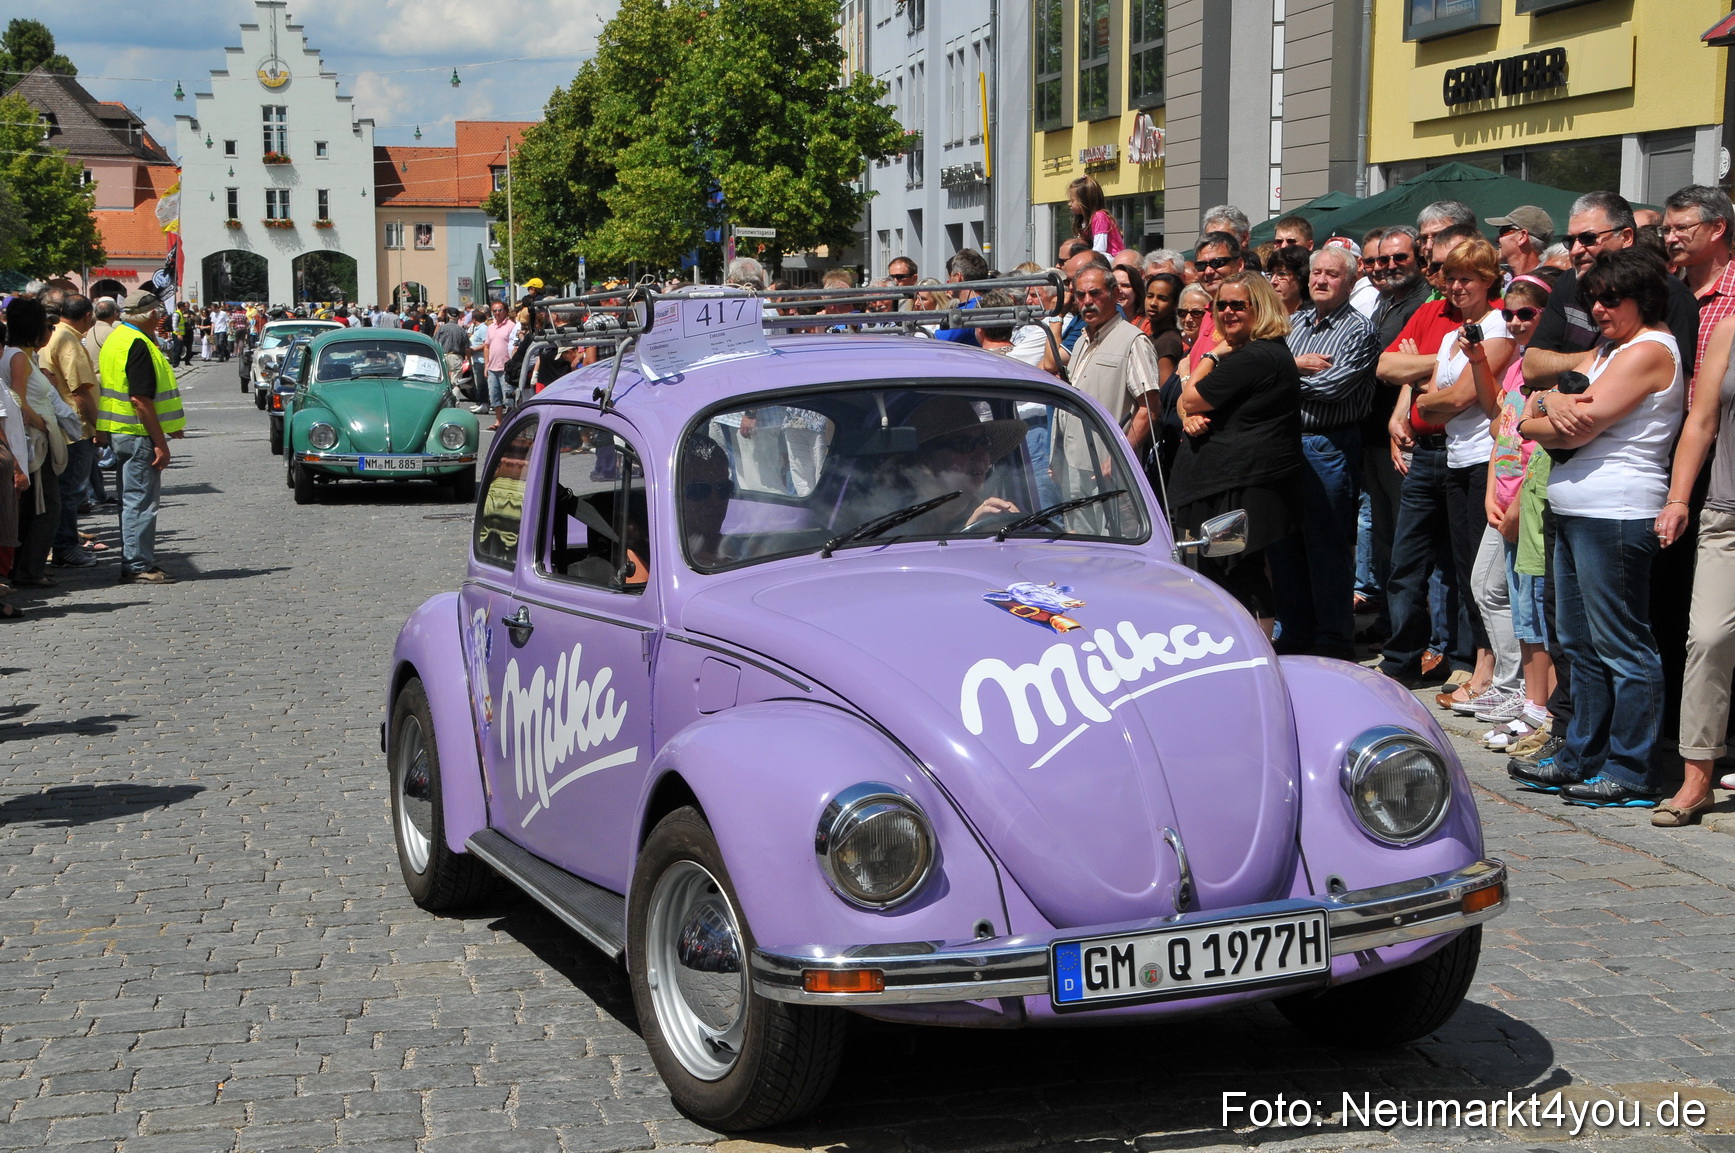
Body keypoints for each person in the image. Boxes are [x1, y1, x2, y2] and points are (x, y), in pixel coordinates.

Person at [1506, 247, 1684, 808]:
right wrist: (1548, 405)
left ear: (1645, 298)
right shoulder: (1609, 349)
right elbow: (1532, 411)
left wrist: (1546, 410)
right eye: (1593, 299)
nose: (1599, 309)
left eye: (1612, 299)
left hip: (1617, 510)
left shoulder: (1651, 350)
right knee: (1579, 643)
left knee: (1622, 644)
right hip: (1576, 506)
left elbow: (1578, 427)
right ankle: (1584, 753)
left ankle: (1632, 769)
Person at [1170, 272, 1305, 630]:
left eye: (1238, 305)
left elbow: (1192, 395)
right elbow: (1192, 408)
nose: (1227, 312)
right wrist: (1190, 415)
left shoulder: (1256, 357)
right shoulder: (1253, 354)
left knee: (1240, 570)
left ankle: (1258, 654)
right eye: (1221, 305)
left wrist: (1210, 355)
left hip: (1243, 484)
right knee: (1226, 572)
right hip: (1226, 482)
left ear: (1259, 309)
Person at [1269, 244, 1379, 658]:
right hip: (1284, 442)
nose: (1320, 280)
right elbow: (1265, 370)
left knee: (1327, 549)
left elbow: (1332, 389)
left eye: (1332, 274)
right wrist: (1290, 369)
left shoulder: (1359, 330)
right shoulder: (1293, 321)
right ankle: (1295, 634)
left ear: (1350, 281)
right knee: (1285, 546)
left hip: (1327, 445)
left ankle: (1334, 641)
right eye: (1316, 273)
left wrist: (1280, 376)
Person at [1654, 309, 1735, 824]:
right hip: (1727, 511)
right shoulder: (1731, 327)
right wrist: (1679, 498)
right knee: (1707, 639)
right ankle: (1696, 780)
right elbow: (1701, 420)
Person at [1472, 271, 1559, 752]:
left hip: (1529, 508)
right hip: (1501, 502)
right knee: (1522, 613)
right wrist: (1491, 493)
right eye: (1509, 314)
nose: (1517, 321)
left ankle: (1539, 706)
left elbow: (1540, 451)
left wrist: (1517, 504)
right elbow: (1500, 435)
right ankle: (1530, 704)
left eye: (1527, 313)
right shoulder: (1516, 369)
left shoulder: (1547, 372)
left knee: (1536, 613)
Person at [95, 293, 186, 585]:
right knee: (140, 502)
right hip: (137, 433)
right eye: (158, 313)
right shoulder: (138, 343)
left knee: (130, 500)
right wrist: (160, 442)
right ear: (149, 315)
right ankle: (136, 564)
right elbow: (140, 399)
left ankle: (136, 559)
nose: (161, 317)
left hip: (120, 431)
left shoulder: (117, 337)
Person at [1054, 266, 1160, 494]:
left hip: (1109, 472)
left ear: (1114, 294)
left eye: (1095, 293)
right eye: (1081, 295)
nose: (1087, 301)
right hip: (1072, 468)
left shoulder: (1134, 341)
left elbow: (1149, 410)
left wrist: (1120, 457)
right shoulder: (1081, 341)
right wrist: (1056, 457)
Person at [2, 297, 64, 591]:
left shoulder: (19, 354)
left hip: (29, 440)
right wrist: (43, 423)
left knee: (36, 506)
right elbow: (17, 401)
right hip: (33, 442)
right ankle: (29, 568)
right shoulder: (17, 357)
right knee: (45, 506)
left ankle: (27, 566)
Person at [41, 293, 100, 569]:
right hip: (74, 428)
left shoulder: (55, 334)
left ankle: (61, 544)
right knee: (71, 492)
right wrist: (98, 426)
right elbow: (80, 391)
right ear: (88, 316)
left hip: (60, 425)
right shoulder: (68, 341)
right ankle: (65, 547)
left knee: (64, 492)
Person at [1663, 185, 1735, 381]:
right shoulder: (1664, 297)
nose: (1670, 239)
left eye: (1681, 228)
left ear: (1717, 228)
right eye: (1666, 230)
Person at [1186, 231, 1245, 375]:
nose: (1208, 271)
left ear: (1239, 264)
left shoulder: (1246, 312)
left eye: (1217, 263)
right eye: (1200, 265)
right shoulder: (1207, 312)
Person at [1486, 206, 1553, 281]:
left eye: (1503, 231)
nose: (1497, 239)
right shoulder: (1498, 282)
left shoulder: (1551, 286)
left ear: (1522, 236)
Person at [1069, 175, 1125, 256]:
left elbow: (1099, 249)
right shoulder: (1083, 220)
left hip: (1112, 258)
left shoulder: (1100, 217)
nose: (1069, 204)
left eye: (1072, 200)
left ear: (1084, 201)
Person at [483, 300, 515, 429]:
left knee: (508, 398)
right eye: (494, 310)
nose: (497, 313)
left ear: (505, 311)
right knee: (494, 397)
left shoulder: (511, 326)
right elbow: (487, 347)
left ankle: (510, 423)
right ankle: (499, 421)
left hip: (505, 367)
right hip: (492, 368)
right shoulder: (490, 327)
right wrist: (486, 365)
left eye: (500, 310)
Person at [1265, 244, 1311, 316]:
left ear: (1301, 277)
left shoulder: (1312, 320)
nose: (1273, 281)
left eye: (1281, 274)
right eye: (1271, 274)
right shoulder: (1263, 317)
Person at [1112, 263, 1146, 331]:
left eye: (1125, 286)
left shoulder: (1146, 325)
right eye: (1114, 285)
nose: (1119, 291)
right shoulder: (1099, 323)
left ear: (1136, 290)